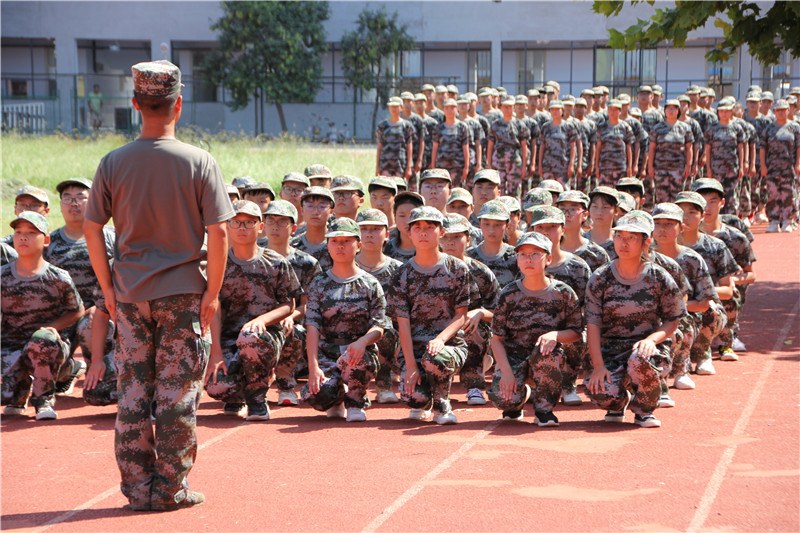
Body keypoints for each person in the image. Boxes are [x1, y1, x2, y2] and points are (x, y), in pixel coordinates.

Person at [84, 60, 233, 511]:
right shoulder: (199, 161)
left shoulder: (113, 162)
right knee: (177, 395)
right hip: (183, 294)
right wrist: (212, 293)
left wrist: (109, 289)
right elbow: (219, 233)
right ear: (179, 104)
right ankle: (170, 489)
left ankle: (137, 489)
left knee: (132, 392)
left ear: (135, 104)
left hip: (130, 295)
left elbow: (92, 228)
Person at [585, 211, 685, 428]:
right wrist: (598, 366)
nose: (624, 243)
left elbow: (673, 321)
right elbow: (593, 324)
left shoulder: (659, 276)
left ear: (645, 242)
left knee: (640, 359)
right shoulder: (600, 277)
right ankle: (617, 403)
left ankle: (644, 410)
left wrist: (651, 340)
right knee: (600, 392)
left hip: (646, 349)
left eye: (632, 238)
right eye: (620, 236)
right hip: (612, 350)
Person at [205, 200, 299, 420]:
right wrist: (216, 353)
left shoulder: (275, 262)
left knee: (250, 337)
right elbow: (214, 308)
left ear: (260, 227)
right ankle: (236, 396)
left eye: (249, 222)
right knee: (217, 387)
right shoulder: (218, 263)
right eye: (236, 222)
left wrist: (262, 321)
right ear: (228, 226)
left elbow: (289, 305)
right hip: (229, 337)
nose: (242, 228)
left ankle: (257, 400)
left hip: (265, 336)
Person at [489, 231, 582, 425]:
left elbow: (576, 332)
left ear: (548, 259)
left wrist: (555, 335)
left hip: (547, 358)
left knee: (548, 355)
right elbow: (496, 339)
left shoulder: (563, 293)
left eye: (535, 254)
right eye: (523, 254)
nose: (528, 259)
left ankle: (544, 410)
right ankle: (518, 399)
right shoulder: (508, 294)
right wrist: (506, 372)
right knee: (503, 399)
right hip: (514, 359)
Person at [389, 206, 471, 425]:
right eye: (417, 228)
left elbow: (461, 315)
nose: (423, 232)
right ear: (409, 233)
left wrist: (440, 340)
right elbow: (402, 323)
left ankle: (442, 404)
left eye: (430, 227)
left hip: (449, 346)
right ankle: (425, 400)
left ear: (441, 232)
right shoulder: (401, 274)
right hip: (415, 349)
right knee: (413, 398)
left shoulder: (457, 268)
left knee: (436, 357)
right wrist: (411, 366)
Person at [303, 218, 390, 422]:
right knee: (316, 395)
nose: (340, 246)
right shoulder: (319, 284)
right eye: (334, 241)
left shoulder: (370, 283)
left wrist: (363, 341)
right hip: (328, 351)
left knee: (356, 361)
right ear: (327, 246)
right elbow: (312, 327)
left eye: (347, 241)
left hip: (358, 352)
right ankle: (336, 396)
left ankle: (356, 400)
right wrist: (313, 368)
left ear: (359, 246)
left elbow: (380, 325)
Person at [2, 212, 85, 420]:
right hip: (11, 347)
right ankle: (17, 395)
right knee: (4, 394)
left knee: (42, 340)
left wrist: (52, 327)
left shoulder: (58, 277)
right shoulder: (2, 276)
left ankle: (43, 400)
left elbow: (77, 310)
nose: (23, 237)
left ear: (46, 240)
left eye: (31, 233)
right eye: (18, 232)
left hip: (48, 348)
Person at [45, 178, 115, 396]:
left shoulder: (110, 237)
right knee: (44, 345)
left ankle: (100, 375)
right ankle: (68, 370)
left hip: (98, 315)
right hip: (64, 316)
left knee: (90, 326)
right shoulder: (49, 242)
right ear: (60, 205)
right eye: (67, 198)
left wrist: (101, 308)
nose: (73, 203)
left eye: (80, 197)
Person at [651, 202, 718, 391]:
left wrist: (672, 308)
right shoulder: (644, 256)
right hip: (648, 313)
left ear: (681, 227)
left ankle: (682, 370)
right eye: (658, 223)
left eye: (669, 224)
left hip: (686, 313)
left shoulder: (692, 259)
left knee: (683, 321)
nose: (662, 229)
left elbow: (704, 303)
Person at [528, 205, 591, 406]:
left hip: (567, 330)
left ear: (563, 229)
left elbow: (588, 308)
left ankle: (568, 385)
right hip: (531, 328)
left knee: (579, 334)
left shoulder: (578, 267)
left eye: (552, 227)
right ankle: (531, 383)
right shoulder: (522, 262)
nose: (546, 232)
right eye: (540, 227)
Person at [262, 200, 322, 407]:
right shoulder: (254, 257)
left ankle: (286, 386)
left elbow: (310, 304)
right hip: (257, 324)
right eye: (271, 221)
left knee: (293, 330)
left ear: (294, 228)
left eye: (282, 222)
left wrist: (290, 316)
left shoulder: (306, 263)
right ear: (263, 225)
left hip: (293, 328)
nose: (275, 227)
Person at [693, 179, 756, 361]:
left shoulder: (735, 237)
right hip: (694, 290)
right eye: (702, 201)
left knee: (731, 290)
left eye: (712, 201)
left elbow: (751, 274)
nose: (707, 207)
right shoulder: (683, 234)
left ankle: (727, 338)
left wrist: (731, 281)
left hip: (721, 290)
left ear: (722, 203)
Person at [674, 192, 735, 376]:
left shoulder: (715, 246)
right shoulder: (661, 245)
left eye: (692, 212)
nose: (685, 217)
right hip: (671, 304)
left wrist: (699, 293)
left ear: (702, 216)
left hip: (702, 305)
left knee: (711, 310)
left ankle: (702, 354)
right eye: (681, 212)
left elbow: (728, 290)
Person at [440, 213, 498, 406]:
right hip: (434, 328)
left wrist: (479, 312)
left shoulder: (480, 272)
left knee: (474, 327)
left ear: (469, 239)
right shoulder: (426, 268)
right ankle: (432, 386)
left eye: (457, 237)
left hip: (468, 329)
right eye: (446, 237)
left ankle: (474, 384)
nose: (450, 242)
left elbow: (500, 312)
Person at [355, 209, 403, 403]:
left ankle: (384, 384)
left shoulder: (399, 270)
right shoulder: (344, 265)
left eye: (375, 229)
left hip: (389, 336)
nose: (369, 234)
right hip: (351, 331)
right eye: (364, 229)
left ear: (387, 234)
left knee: (386, 328)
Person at [759, 99, 800, 232]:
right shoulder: (769, 128)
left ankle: (788, 220)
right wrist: (763, 165)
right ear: (774, 112)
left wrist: (798, 163)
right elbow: (763, 147)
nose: (781, 113)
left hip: (789, 167)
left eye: (783, 110)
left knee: (789, 194)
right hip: (772, 168)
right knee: (772, 195)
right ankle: (774, 221)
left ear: (788, 110)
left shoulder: (795, 128)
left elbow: (799, 147)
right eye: (778, 110)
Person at [648, 99, 694, 205]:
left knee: (677, 199)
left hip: (678, 170)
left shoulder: (685, 128)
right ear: (664, 111)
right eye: (668, 108)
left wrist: (688, 165)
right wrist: (650, 167)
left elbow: (689, 148)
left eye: (674, 108)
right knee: (661, 199)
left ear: (678, 111)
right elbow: (652, 148)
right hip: (661, 169)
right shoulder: (657, 128)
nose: (671, 111)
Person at [704, 102, 745, 215]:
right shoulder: (712, 128)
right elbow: (708, 149)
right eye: (721, 111)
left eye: (726, 111)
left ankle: (731, 218)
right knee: (716, 195)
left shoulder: (737, 128)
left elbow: (741, 148)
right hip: (716, 169)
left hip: (732, 168)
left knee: (732, 195)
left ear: (731, 112)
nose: (724, 114)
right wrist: (708, 168)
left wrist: (742, 166)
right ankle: (718, 218)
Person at [467, 200, 519, 288]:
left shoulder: (515, 257)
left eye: (498, 224)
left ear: (507, 225)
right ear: (479, 223)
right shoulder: (469, 257)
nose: (491, 230)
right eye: (486, 224)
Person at [556, 190, 610, 273]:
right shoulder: (548, 250)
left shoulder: (596, 254)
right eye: (562, 209)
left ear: (585, 215)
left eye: (573, 209)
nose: (566, 214)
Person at [486, 97, 530, 197]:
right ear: (501, 108)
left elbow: (524, 146)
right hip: (498, 160)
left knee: (514, 190)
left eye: (509, 107)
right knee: (498, 188)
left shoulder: (519, 124)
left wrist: (524, 166)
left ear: (513, 108)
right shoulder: (495, 125)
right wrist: (489, 164)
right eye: (505, 106)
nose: (507, 109)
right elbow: (490, 145)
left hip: (514, 161)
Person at [291, 187, 335, 271]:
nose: (315, 212)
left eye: (322, 206)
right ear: (302, 210)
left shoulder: (337, 246)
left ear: (331, 212)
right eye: (310, 206)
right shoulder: (292, 246)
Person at [430, 98, 470, 188]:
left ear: (456, 109)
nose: (449, 111)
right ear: (443, 110)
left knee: (456, 190)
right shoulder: (438, 127)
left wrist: (466, 167)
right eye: (447, 108)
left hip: (457, 166)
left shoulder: (462, 127)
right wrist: (433, 165)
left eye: (452, 108)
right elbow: (435, 147)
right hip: (441, 166)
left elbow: (466, 147)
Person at [538, 100, 578, 187]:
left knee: (563, 190)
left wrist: (571, 164)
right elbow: (542, 146)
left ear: (562, 111)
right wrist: (540, 165)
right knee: (548, 189)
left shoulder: (569, 127)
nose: (555, 112)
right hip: (548, 166)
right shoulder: (545, 127)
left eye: (557, 109)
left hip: (563, 166)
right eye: (552, 109)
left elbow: (573, 147)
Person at [594, 99, 634, 186]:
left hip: (620, 168)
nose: (612, 112)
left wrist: (629, 167)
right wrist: (596, 167)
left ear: (620, 111)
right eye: (610, 109)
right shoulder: (602, 127)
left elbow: (629, 148)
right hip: (605, 168)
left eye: (615, 110)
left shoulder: (625, 127)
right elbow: (598, 148)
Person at [376, 96, 415, 185]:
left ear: (401, 108)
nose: (393, 109)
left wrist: (409, 167)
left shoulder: (406, 126)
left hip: (400, 165)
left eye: (396, 107)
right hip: (385, 165)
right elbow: (379, 147)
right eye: (391, 106)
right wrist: (377, 166)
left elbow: (409, 147)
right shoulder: (382, 126)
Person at [383, 191, 424, 263]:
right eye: (402, 216)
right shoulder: (386, 248)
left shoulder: (429, 248)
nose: (407, 221)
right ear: (394, 216)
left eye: (412, 215)